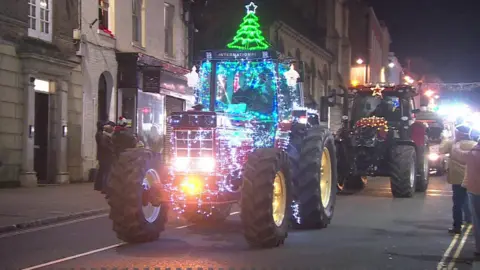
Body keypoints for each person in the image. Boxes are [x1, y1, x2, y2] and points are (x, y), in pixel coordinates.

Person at [440, 123, 475, 234]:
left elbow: (441, 150)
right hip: (472, 178)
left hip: (457, 178)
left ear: (458, 134)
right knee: (471, 201)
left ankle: (457, 226)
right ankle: (470, 221)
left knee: (457, 203)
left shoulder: (452, 144)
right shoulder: (475, 145)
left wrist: (446, 139)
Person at [461, 134, 480, 257]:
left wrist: (456, 143)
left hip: (474, 190)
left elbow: (456, 153)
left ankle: (479, 249)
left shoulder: (471, 153)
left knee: (477, 221)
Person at [94, 121, 104, 191]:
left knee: (101, 170)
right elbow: (102, 144)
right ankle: (98, 185)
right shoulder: (99, 134)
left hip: (101, 154)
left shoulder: (99, 134)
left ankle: (98, 185)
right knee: (102, 171)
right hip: (102, 155)